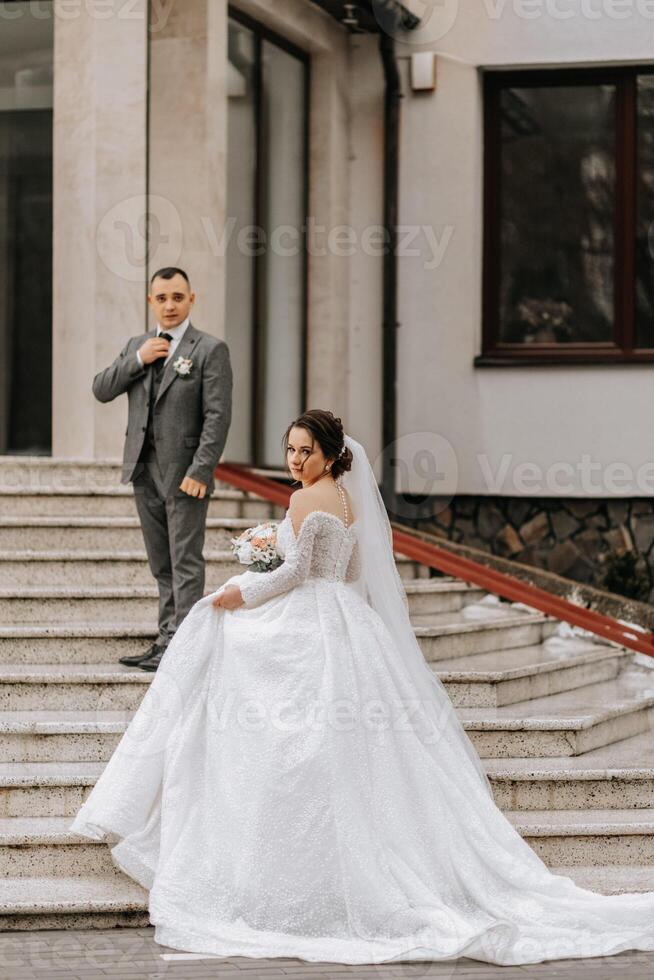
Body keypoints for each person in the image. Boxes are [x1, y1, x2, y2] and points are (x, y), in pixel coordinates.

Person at [70, 409, 654, 966]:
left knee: (228, 651)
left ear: (330, 454)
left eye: (306, 451)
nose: (296, 461)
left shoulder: (302, 499)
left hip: (309, 619)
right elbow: (347, 574)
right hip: (347, 621)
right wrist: (276, 555)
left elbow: (299, 574)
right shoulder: (349, 502)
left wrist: (239, 591)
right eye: (291, 450)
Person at [91, 267, 232, 672]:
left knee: (184, 559)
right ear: (151, 301)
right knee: (161, 562)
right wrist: (138, 360)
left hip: (185, 472)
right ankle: (167, 639)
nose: (170, 305)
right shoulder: (138, 345)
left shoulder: (209, 349)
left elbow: (217, 417)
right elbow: (101, 389)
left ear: (192, 299)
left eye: (177, 297)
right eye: (162, 298)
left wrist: (202, 470)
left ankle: (182, 648)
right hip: (143, 468)